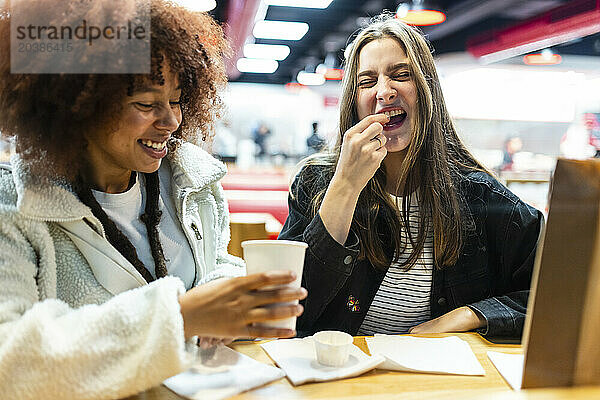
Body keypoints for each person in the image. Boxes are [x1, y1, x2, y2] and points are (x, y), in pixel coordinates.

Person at [0, 1, 306, 399]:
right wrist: (182, 316)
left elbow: (215, 263)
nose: (171, 121)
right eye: (146, 104)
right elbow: (12, 360)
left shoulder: (193, 181)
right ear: (77, 106)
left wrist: (223, 300)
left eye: (177, 99)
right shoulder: (16, 205)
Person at [279, 14, 542, 339]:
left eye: (401, 75)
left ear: (426, 90)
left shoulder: (480, 197)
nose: (384, 92)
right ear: (354, 102)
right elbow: (287, 310)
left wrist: (471, 314)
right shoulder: (314, 182)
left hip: (435, 384)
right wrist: (344, 187)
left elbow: (558, 289)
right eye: (366, 81)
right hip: (337, 380)